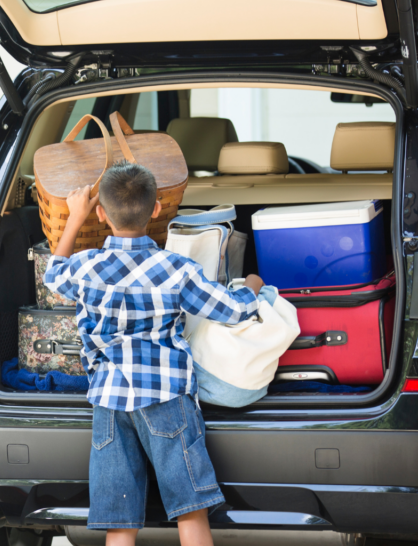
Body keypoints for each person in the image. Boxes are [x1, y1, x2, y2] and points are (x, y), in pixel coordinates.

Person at [43, 162, 264, 546]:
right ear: (158, 210)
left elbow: (53, 274)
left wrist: (74, 219)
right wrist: (254, 287)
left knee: (120, 522)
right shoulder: (177, 269)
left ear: (101, 213)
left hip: (109, 401)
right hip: (167, 398)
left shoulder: (86, 266)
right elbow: (231, 309)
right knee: (190, 511)